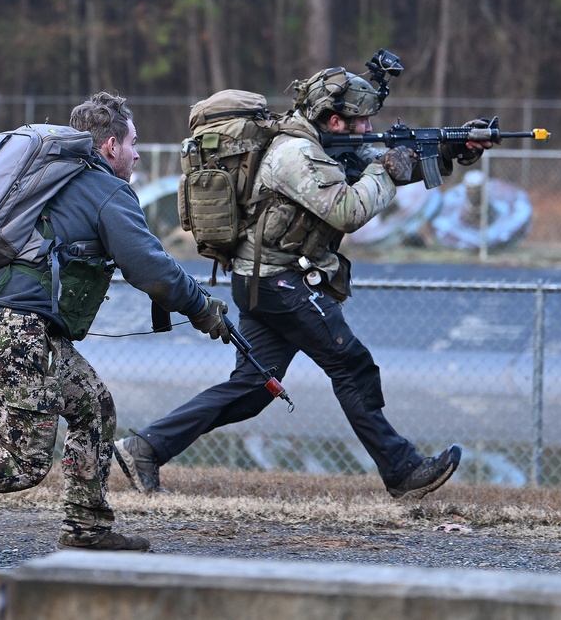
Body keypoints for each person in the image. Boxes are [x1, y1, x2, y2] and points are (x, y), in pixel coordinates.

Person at [0, 91, 230, 551]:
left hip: (11, 329)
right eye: (133, 142)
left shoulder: (62, 182)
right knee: (22, 463)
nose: (138, 152)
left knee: (95, 409)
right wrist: (202, 307)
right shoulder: (105, 189)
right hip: (13, 333)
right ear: (110, 147)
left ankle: (88, 528)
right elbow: (152, 268)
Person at [114, 67, 493, 500]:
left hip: (265, 280)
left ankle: (144, 448)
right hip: (280, 283)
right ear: (334, 121)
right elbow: (347, 208)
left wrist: (449, 148)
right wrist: (387, 173)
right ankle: (402, 470)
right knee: (351, 365)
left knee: (252, 390)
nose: (369, 130)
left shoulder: (320, 145)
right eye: (361, 122)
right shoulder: (295, 154)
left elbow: (379, 162)